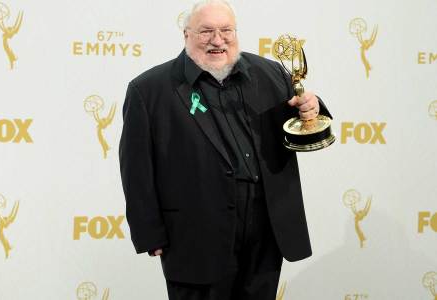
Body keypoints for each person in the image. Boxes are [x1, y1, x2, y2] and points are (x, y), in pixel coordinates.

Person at [119, 1, 332, 299]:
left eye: (225, 30)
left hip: (266, 227)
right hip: (194, 233)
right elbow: (136, 169)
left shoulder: (272, 74)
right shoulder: (149, 90)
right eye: (206, 31)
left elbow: (304, 135)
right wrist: (149, 232)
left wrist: (312, 109)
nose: (217, 40)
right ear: (186, 34)